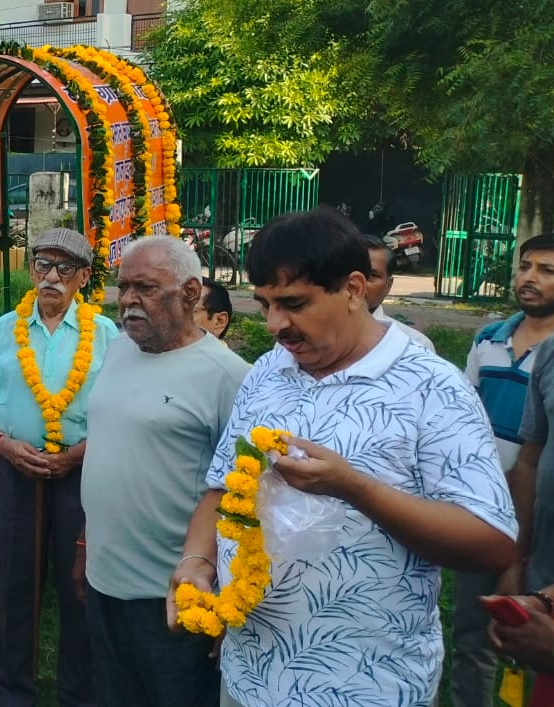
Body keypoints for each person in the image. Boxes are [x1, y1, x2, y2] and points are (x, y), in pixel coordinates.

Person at [171, 208, 516, 707]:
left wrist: (356, 488)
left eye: (294, 303)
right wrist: (197, 561)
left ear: (354, 289)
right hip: (249, 676)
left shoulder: (431, 387)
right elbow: (223, 485)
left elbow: (491, 543)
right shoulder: (268, 371)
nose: (275, 325)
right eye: (265, 304)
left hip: (364, 685)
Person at [78, 236, 251, 707]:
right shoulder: (118, 350)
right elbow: (112, 451)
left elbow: (245, 496)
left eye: (146, 288)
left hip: (175, 593)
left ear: (191, 293)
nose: (128, 300)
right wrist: (84, 545)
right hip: (104, 579)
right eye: (123, 287)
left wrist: (230, 597)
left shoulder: (228, 376)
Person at [0, 227, 117, 707]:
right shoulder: (3, 329)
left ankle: (79, 694)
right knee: (16, 583)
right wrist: (3, 444)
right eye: (42, 265)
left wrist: (78, 453)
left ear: (84, 277)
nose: (51, 276)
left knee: (80, 583)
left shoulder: (106, 334)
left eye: (64, 268)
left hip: (82, 472)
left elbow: (121, 412)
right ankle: (12, 692)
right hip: (16, 469)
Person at [452, 234, 554, 707]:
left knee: (539, 639)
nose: (530, 278)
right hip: (485, 507)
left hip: (541, 519)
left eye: (547, 271)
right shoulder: (489, 339)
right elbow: (463, 415)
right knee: (475, 631)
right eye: (525, 266)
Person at [363, 233, 435, 352]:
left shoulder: (416, 346)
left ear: (388, 285)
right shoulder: (327, 337)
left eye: (372, 276)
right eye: (351, 273)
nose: (358, 284)